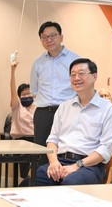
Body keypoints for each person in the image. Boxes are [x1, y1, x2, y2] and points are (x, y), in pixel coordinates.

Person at [35, 58, 112, 186]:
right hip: (61, 160)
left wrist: (77, 165)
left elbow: (105, 149)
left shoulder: (108, 110)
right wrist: (53, 162)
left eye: (81, 73)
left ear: (94, 76)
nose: (76, 78)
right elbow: (52, 139)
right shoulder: (64, 107)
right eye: (73, 75)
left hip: (90, 165)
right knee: (42, 173)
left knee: (72, 181)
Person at [30, 21, 79, 165]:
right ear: (41, 41)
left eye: (52, 36)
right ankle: (43, 183)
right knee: (42, 153)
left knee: (67, 150)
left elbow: (80, 87)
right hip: (43, 114)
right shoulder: (38, 63)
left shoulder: (74, 60)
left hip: (68, 112)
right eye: (44, 37)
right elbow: (34, 90)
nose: (49, 40)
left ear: (61, 37)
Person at [10, 61, 36, 181]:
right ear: (19, 96)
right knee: (26, 160)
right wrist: (13, 71)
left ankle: (35, 180)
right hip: (20, 141)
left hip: (35, 140)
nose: (26, 96)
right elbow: (12, 89)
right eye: (23, 94)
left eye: (29, 93)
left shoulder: (38, 106)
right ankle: (24, 179)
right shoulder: (17, 105)